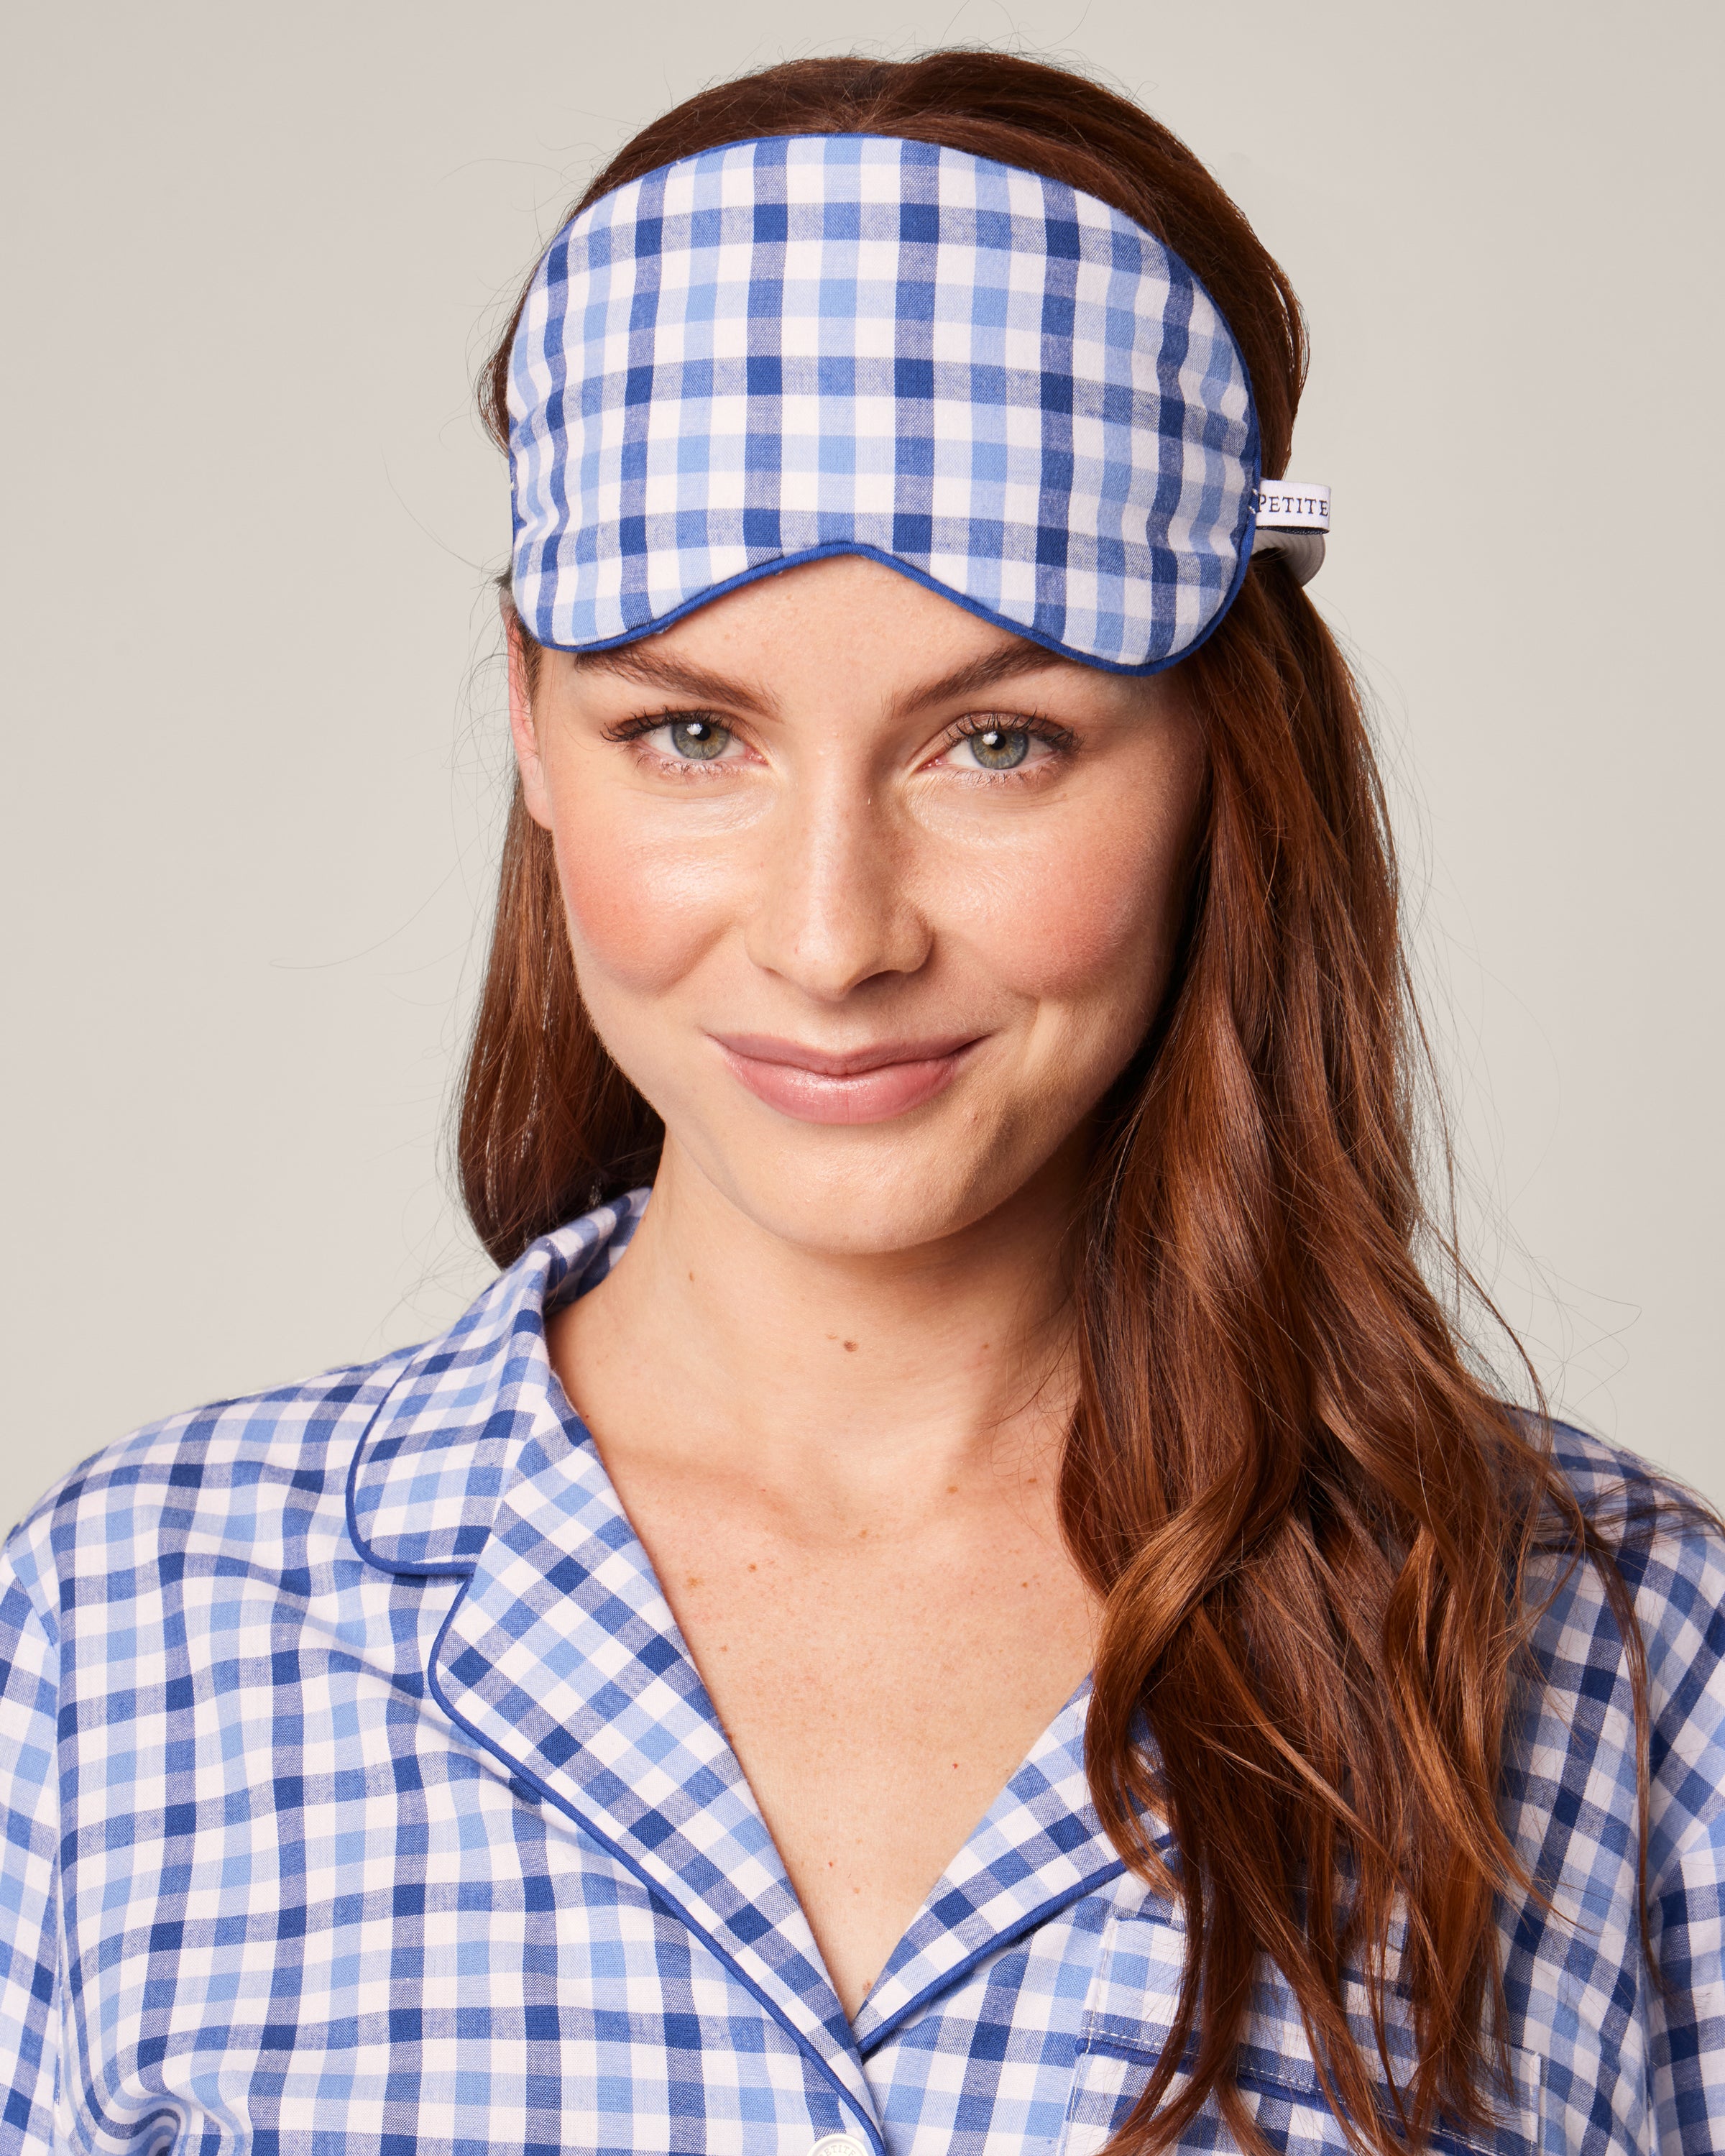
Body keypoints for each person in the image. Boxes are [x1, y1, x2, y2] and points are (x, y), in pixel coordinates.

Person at [0, 48, 1718, 2156]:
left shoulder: (1624, 1672)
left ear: (1217, 756)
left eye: (995, 743)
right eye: (690, 733)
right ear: (535, 727)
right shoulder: (123, 1644)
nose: (833, 937)